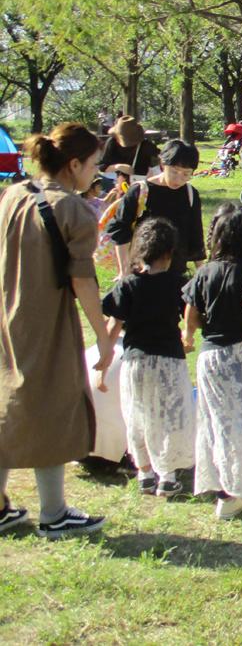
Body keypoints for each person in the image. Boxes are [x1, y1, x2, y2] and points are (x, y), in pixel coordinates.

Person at [0, 123, 113, 539]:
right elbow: (83, 280)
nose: (95, 173)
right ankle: (55, 513)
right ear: (74, 164)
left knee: (9, 403)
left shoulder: (13, 194)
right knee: (53, 405)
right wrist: (102, 336)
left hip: (7, 315)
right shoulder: (71, 208)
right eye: (94, 165)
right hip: (46, 320)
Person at [184, 203, 242, 519]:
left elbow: (191, 312)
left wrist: (188, 335)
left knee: (219, 423)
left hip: (210, 357)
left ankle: (227, 495)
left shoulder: (205, 272)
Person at [102, 217, 194, 497]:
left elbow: (112, 325)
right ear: (170, 252)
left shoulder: (128, 285)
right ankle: (167, 475)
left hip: (135, 360)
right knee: (171, 416)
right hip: (169, 359)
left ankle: (144, 472)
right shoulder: (179, 284)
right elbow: (193, 315)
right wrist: (188, 335)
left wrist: (103, 361)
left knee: (137, 414)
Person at [106, 139, 204, 278]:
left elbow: (195, 234)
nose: (178, 179)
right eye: (174, 171)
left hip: (176, 272)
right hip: (141, 271)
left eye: (186, 174)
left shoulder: (190, 194)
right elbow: (121, 230)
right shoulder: (140, 191)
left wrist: (200, 272)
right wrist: (124, 270)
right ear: (163, 165)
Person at [98, 115, 160, 179]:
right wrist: (118, 167)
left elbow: (161, 160)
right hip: (117, 183)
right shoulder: (112, 142)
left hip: (141, 182)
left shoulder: (146, 145)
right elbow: (102, 167)